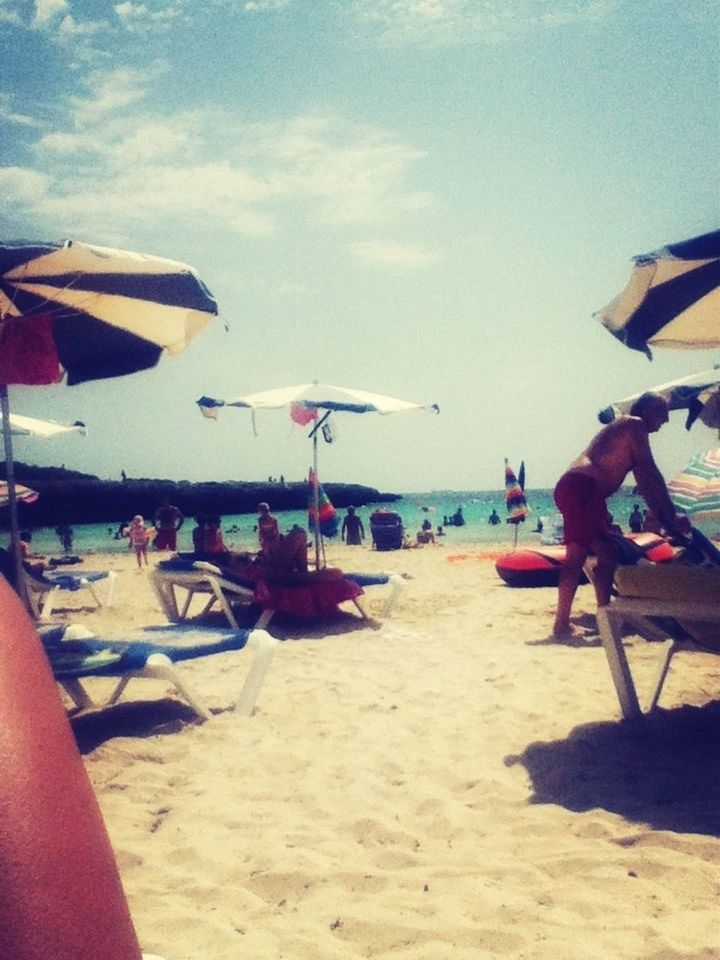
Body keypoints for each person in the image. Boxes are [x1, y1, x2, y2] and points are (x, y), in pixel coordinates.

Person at [552, 392, 691, 638]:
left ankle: (607, 616)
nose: (666, 422)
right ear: (647, 409)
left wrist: (665, 517)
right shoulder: (633, 425)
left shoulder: (626, 430)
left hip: (581, 489)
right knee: (576, 556)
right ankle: (563, 624)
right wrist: (670, 516)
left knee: (606, 553)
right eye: (663, 414)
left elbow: (645, 481)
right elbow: (650, 473)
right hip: (583, 488)